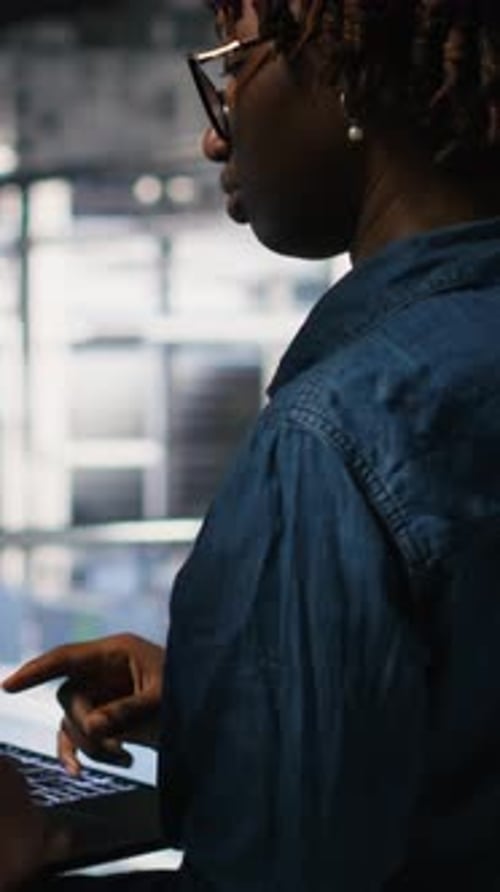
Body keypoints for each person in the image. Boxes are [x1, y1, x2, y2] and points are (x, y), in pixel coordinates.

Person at [4, 0, 500, 888]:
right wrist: (229, 702)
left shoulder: (337, 437)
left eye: (233, 66)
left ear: (349, 75)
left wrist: (30, 858)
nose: (214, 135)